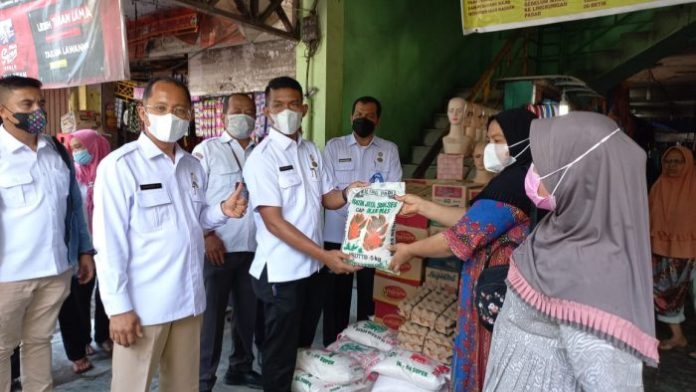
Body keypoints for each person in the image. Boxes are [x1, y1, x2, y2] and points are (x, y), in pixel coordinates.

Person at [93, 76, 248, 392]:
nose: (171, 116)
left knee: (183, 387)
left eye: (179, 110)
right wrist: (118, 307)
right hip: (143, 307)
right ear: (142, 113)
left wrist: (222, 210)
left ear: (189, 116)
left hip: (188, 302)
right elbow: (109, 244)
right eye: (161, 108)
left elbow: (196, 219)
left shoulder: (192, 165)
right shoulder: (121, 167)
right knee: (131, 387)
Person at [483, 112, 658, 391]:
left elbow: (609, 383)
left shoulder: (597, 273)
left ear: (580, 174)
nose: (532, 171)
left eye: (543, 163)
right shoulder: (561, 227)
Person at [390, 108, 537, 391]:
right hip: (501, 288)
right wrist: (422, 206)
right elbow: (473, 219)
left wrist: (410, 250)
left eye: (498, 140)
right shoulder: (520, 176)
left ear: (521, 139)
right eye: (490, 139)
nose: (492, 149)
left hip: (498, 293)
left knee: (489, 362)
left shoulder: (516, 182)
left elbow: (459, 238)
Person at [243, 76, 364, 392]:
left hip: (312, 270)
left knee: (301, 346)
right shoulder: (262, 158)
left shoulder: (311, 151)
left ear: (305, 109)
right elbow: (274, 223)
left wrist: (351, 192)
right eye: (278, 105)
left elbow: (328, 197)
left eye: (292, 104)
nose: (286, 111)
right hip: (281, 274)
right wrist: (325, 255)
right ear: (267, 111)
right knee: (279, 354)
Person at [0, 75, 95, 391]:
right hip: (8, 277)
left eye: (39, 103)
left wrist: (83, 251)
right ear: (3, 111)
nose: (37, 110)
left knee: (39, 342)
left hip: (56, 271)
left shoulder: (56, 150)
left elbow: (74, 208)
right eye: (26, 104)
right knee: (1, 351)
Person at [193, 93, 262, 391]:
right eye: (237, 111)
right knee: (211, 320)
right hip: (218, 249)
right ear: (222, 117)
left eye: (249, 111)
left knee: (247, 315)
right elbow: (192, 201)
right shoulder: (206, 151)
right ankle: (203, 379)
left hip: (255, 249)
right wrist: (207, 235)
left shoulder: (263, 152)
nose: (243, 116)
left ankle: (240, 368)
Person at [320, 96, 402, 346]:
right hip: (336, 236)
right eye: (357, 114)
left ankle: (366, 348)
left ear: (377, 119)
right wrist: (354, 204)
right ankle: (333, 348)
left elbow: (394, 192)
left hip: (373, 237)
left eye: (367, 116)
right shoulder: (334, 148)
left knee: (369, 297)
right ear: (350, 116)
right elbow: (327, 191)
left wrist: (364, 213)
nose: (361, 119)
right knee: (336, 299)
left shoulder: (389, 150)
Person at [57, 129, 113, 374]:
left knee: (108, 291)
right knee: (80, 294)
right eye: (75, 147)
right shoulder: (73, 175)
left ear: (95, 146)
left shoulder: (111, 173)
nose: (78, 152)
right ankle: (82, 342)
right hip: (83, 248)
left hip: (109, 244)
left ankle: (104, 334)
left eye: (82, 147)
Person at [650, 146, 696, 352]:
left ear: (688, 163)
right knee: (663, 294)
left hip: (693, 251)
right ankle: (678, 336)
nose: (672, 165)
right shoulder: (658, 186)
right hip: (663, 250)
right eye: (668, 161)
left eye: (678, 161)